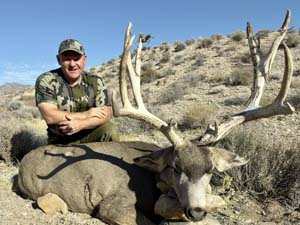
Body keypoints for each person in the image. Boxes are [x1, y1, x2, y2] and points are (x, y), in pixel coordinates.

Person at [35, 39, 118, 144]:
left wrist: (81, 124)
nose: (72, 64)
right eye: (67, 59)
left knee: (109, 129)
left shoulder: (95, 81)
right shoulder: (46, 80)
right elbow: (50, 116)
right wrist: (86, 114)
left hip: (90, 136)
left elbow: (106, 114)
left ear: (84, 59)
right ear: (58, 59)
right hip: (60, 141)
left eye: (77, 59)